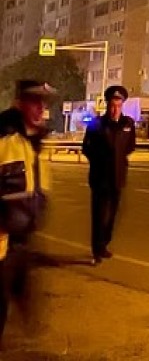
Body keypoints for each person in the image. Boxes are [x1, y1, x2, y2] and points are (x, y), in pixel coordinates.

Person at [0, 80, 54, 343]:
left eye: (43, 103)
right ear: (20, 103)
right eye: (35, 101)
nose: (41, 108)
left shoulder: (36, 141)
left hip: (22, 238)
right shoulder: (4, 137)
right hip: (1, 241)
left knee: (21, 294)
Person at [82, 85, 136, 265]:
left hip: (118, 177)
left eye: (118, 105)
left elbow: (130, 147)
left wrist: (119, 160)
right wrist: (100, 161)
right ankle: (96, 250)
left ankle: (104, 244)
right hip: (100, 178)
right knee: (99, 215)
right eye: (112, 105)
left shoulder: (128, 124)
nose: (115, 109)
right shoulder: (96, 124)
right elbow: (86, 148)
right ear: (107, 105)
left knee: (113, 215)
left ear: (122, 105)